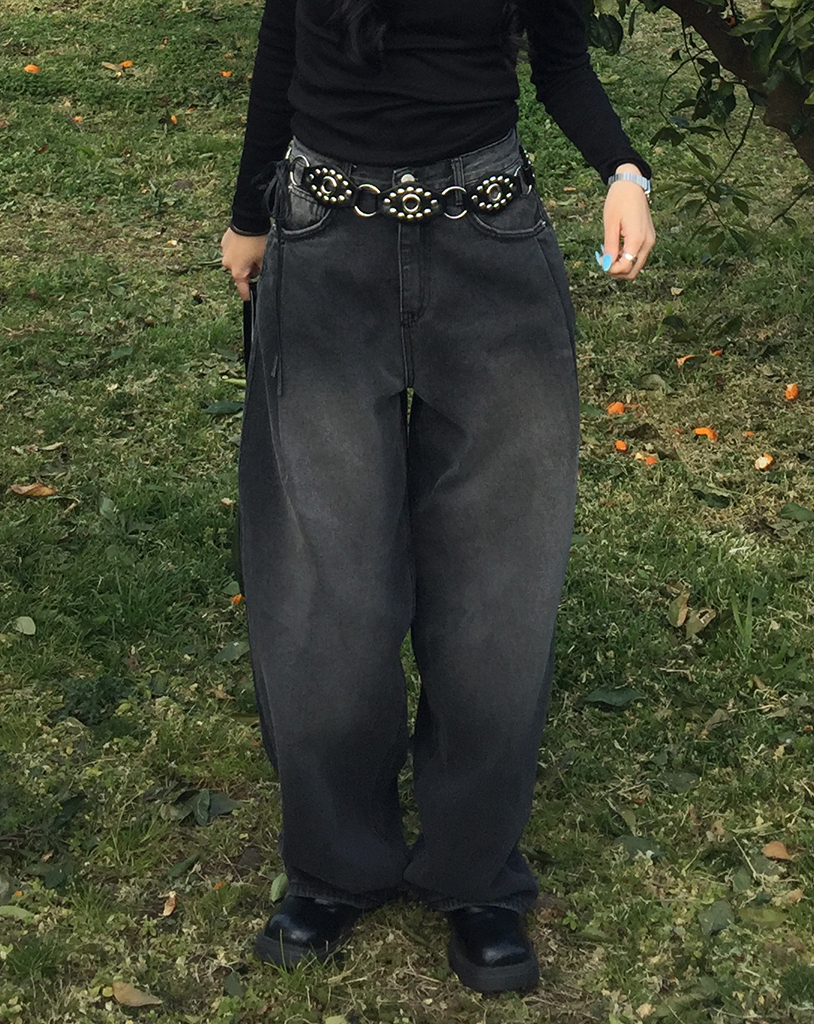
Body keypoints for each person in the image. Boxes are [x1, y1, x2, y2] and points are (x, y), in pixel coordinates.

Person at [220, 0, 654, 994]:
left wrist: (624, 174)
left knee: (501, 583)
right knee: (323, 581)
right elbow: (283, 46)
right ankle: (336, 862)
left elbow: (562, 64)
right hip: (325, 244)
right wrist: (249, 217)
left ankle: (475, 872)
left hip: (488, 245)